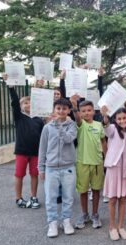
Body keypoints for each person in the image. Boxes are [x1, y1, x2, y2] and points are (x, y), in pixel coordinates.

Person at [38, 98, 77, 237]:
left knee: (68, 196)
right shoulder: (47, 127)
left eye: (64, 109)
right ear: (54, 109)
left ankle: (66, 221)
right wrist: (41, 168)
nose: (61, 111)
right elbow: (42, 149)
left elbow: (68, 139)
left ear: (68, 110)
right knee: (50, 197)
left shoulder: (72, 126)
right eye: (58, 108)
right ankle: (52, 223)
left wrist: (60, 126)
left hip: (68, 167)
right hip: (51, 167)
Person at [6, 78, 44, 209]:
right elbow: (15, 102)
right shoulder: (19, 117)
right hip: (22, 151)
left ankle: (33, 197)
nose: (28, 105)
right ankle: (19, 198)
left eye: (30, 102)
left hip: (35, 152)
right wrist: (11, 87)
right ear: (21, 107)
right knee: (19, 175)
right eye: (25, 103)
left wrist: (38, 88)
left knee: (34, 175)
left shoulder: (39, 119)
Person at [70, 95, 107, 230]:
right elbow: (77, 119)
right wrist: (74, 106)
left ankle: (95, 214)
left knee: (96, 190)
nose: (86, 112)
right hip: (83, 162)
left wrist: (106, 156)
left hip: (97, 162)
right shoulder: (80, 124)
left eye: (89, 110)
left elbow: (103, 141)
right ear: (80, 113)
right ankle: (85, 214)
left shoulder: (98, 125)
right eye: (83, 110)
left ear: (93, 111)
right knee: (83, 190)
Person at [101, 106, 126, 241]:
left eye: (124, 118)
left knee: (123, 199)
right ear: (115, 120)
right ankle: (112, 227)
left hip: (125, 171)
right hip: (113, 169)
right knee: (112, 199)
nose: (122, 121)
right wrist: (105, 116)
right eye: (119, 118)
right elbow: (106, 127)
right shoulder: (113, 130)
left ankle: (121, 226)